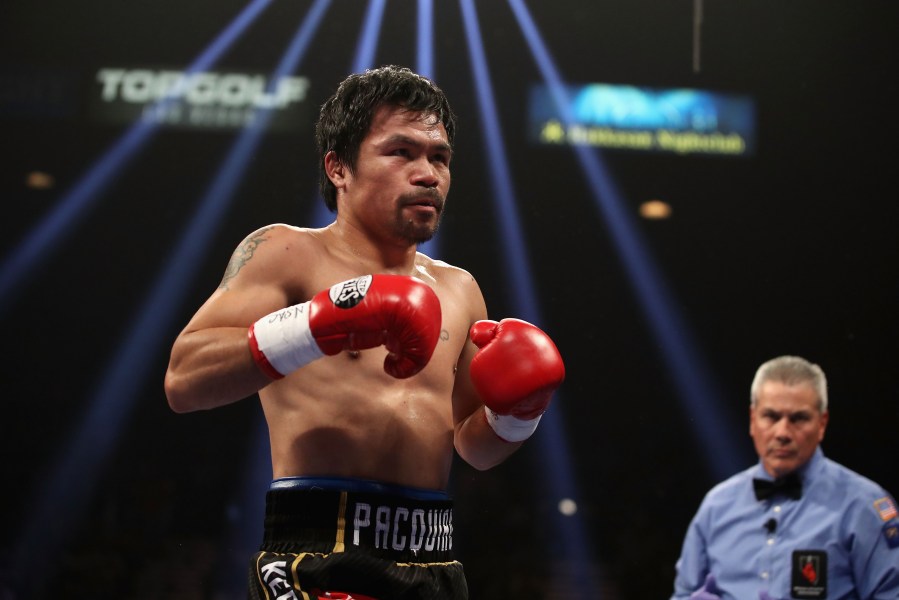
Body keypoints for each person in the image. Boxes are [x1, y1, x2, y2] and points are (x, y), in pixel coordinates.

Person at [164, 65, 565, 600]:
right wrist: (322, 322)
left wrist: (520, 413)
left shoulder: (460, 289)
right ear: (338, 168)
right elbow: (184, 379)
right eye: (401, 152)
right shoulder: (287, 253)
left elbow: (476, 449)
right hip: (317, 552)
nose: (428, 174)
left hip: (435, 560)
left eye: (439, 157)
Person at [671, 355, 899, 600]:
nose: (782, 433)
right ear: (752, 420)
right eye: (771, 416)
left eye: (798, 418)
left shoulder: (864, 505)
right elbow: (683, 594)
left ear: (822, 423)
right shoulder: (716, 507)